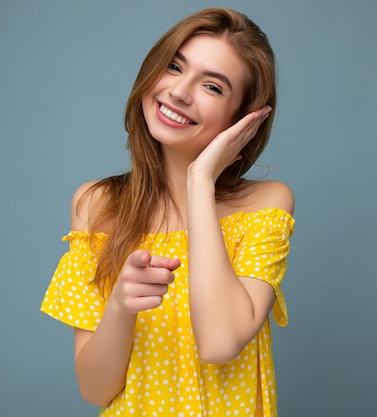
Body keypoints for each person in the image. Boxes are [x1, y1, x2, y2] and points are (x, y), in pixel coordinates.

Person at [41, 7, 295, 417]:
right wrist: (120, 307)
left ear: (243, 119)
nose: (179, 91)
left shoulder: (265, 204)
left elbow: (219, 342)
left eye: (212, 87)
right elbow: (94, 389)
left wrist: (200, 182)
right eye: (174, 67)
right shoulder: (96, 204)